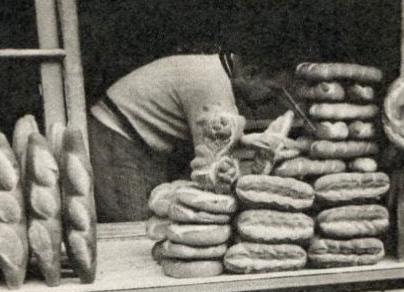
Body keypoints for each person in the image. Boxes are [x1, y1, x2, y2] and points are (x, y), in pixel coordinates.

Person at [87, 50, 290, 222]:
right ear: (251, 74)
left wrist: (245, 139)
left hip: (135, 136)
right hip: (116, 135)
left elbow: (217, 131)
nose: (271, 100)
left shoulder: (214, 70)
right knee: (134, 224)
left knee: (154, 213)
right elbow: (212, 162)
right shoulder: (212, 85)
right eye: (272, 90)